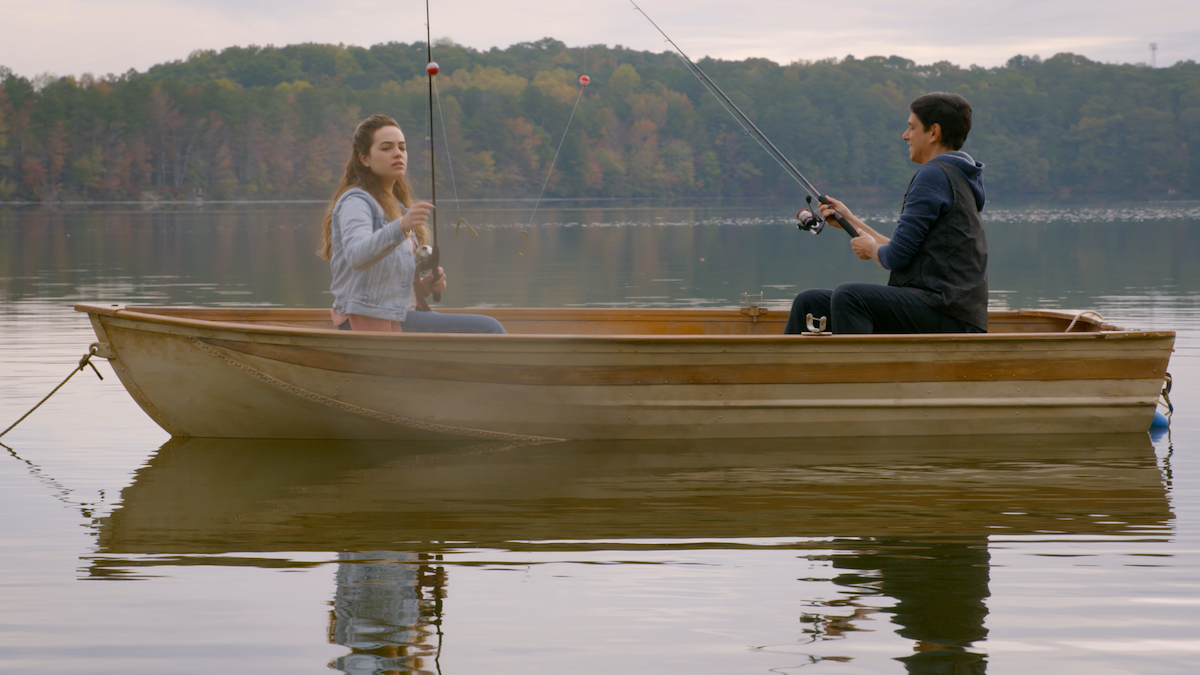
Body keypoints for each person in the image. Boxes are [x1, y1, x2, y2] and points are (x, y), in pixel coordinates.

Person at [784, 92, 987, 335]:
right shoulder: (955, 174)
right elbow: (903, 252)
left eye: (911, 127)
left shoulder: (934, 175)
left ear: (934, 132)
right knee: (810, 303)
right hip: (944, 310)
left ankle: (860, 373)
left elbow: (895, 258)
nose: (905, 135)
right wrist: (849, 220)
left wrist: (870, 249)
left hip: (948, 313)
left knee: (849, 296)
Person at [318, 114, 505, 334]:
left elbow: (388, 279)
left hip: (400, 315)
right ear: (364, 159)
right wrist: (402, 225)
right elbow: (357, 256)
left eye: (402, 147)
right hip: (373, 320)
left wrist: (422, 289)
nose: (398, 153)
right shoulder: (356, 201)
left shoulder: (397, 205)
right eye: (386, 148)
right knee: (488, 328)